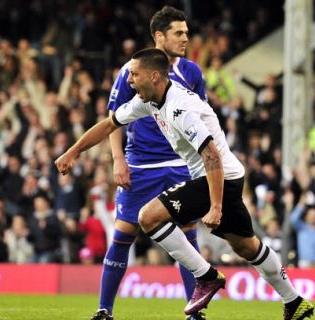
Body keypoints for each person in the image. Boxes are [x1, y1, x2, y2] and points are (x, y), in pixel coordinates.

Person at [55, 48, 314, 320]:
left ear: (154, 76)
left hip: (216, 177)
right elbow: (109, 125)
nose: (129, 80)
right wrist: (73, 151)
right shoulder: (149, 100)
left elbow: (211, 154)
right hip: (231, 175)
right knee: (246, 246)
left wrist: (215, 206)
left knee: (149, 217)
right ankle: (295, 301)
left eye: (134, 74)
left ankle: (206, 276)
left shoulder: (179, 106)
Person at [93, 6, 207, 320]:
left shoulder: (192, 72)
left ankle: (194, 313)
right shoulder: (132, 70)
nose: (186, 38)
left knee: (186, 236)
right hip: (140, 167)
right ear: (159, 36)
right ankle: (104, 310)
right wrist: (118, 160)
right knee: (122, 234)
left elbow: (202, 120)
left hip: (180, 165)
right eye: (179, 33)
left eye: (186, 32)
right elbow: (113, 119)